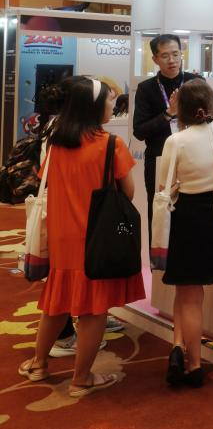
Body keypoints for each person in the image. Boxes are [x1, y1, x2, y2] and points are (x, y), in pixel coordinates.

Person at [19, 77, 143, 397]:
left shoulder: (57, 143)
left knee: (55, 303)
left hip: (61, 237)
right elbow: (128, 192)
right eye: (109, 101)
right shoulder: (111, 144)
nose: (113, 106)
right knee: (93, 309)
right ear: (93, 106)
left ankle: (38, 364)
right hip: (96, 238)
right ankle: (81, 378)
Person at [159, 80, 213, 386]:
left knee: (190, 293)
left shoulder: (177, 141)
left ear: (180, 108)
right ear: (212, 104)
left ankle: (194, 365)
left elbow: (164, 187)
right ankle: (178, 347)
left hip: (191, 216)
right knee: (187, 291)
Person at [133, 34, 202, 232]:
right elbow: (139, 131)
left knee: (191, 212)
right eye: (164, 56)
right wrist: (169, 113)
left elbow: (208, 118)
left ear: (181, 54)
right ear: (155, 59)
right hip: (159, 159)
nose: (171, 60)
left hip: (192, 157)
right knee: (158, 214)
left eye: (175, 54)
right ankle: (157, 253)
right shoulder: (146, 89)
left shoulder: (196, 83)